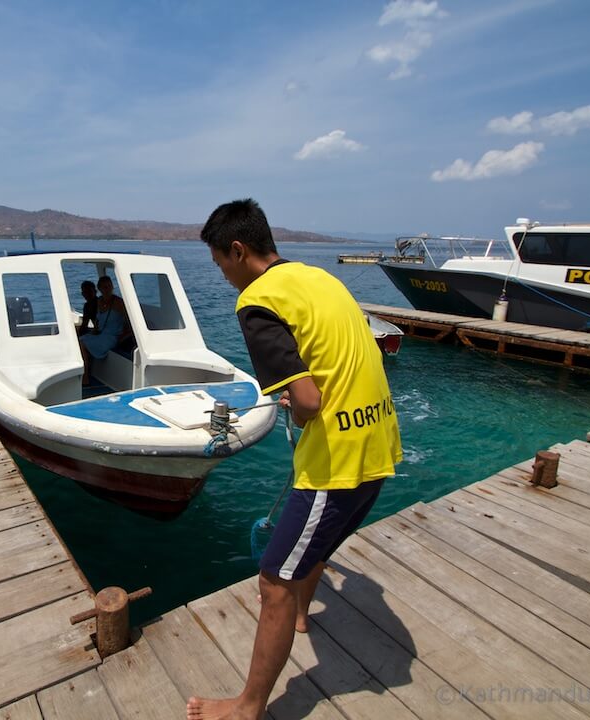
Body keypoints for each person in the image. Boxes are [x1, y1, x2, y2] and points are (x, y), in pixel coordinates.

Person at [187, 199, 401, 720]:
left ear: (238, 251)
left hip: (336, 461)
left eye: (219, 264)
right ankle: (302, 617)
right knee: (313, 544)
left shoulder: (257, 300)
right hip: (379, 442)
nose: (223, 278)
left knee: (274, 581)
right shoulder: (319, 278)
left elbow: (307, 402)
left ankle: (248, 707)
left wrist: (300, 412)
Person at [78, 275, 130, 384]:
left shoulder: (118, 302)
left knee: (81, 343)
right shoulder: (100, 301)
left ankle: (85, 376)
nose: (107, 289)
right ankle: (85, 373)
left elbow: (130, 323)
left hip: (112, 337)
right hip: (102, 334)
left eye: (109, 286)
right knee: (80, 340)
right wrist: (94, 331)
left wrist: (123, 337)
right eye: (104, 287)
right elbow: (98, 321)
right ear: (99, 289)